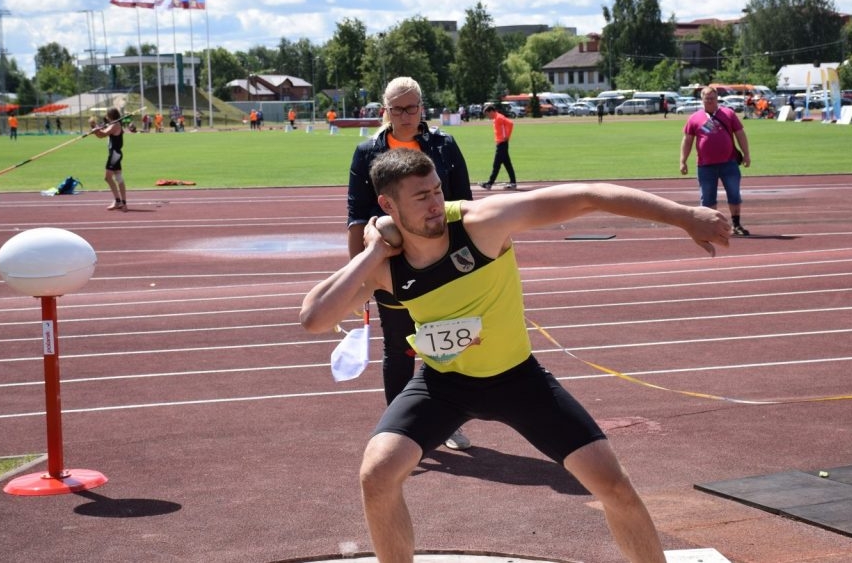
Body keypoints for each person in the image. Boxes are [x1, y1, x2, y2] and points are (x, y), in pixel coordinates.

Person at [301, 148, 731, 563]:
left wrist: (684, 215)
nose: (435, 204)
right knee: (376, 475)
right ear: (387, 205)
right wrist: (373, 252)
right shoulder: (387, 264)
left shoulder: (481, 223)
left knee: (614, 486)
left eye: (436, 190)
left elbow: (588, 196)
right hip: (442, 385)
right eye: (421, 197)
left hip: (517, 380)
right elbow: (314, 318)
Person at [347, 76, 474, 451]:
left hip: (442, 263)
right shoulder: (367, 152)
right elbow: (356, 216)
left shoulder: (444, 145)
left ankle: (446, 422)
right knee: (400, 348)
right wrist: (359, 277)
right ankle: (399, 430)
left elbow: (465, 204)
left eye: (412, 107)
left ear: (423, 107)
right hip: (393, 265)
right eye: (397, 108)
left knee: (446, 346)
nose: (405, 115)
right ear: (384, 110)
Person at [680, 87, 751, 236]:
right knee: (707, 198)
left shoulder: (729, 114)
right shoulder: (694, 118)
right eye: (707, 99)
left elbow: (740, 135)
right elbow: (687, 141)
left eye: (712, 98)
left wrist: (746, 154)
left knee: (734, 195)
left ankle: (736, 225)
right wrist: (683, 161)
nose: (710, 101)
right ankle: (709, 226)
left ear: (717, 98)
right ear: (702, 100)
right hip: (705, 166)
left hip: (729, 163)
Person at [91, 107, 127, 211]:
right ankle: (121, 203)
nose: (106, 116)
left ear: (110, 116)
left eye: (107, 115)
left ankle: (119, 201)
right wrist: (96, 130)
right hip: (115, 154)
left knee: (108, 177)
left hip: (114, 154)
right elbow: (101, 134)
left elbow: (102, 134)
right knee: (118, 178)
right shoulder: (113, 124)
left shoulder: (115, 125)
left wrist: (96, 130)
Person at [480, 104, 516, 190]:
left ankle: (489, 183)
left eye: (487, 114)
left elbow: (510, 123)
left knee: (496, 165)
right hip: (501, 144)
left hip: (502, 144)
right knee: (507, 164)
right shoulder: (496, 119)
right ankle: (513, 183)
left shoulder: (499, 117)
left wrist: (507, 136)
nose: (487, 116)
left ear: (491, 111)